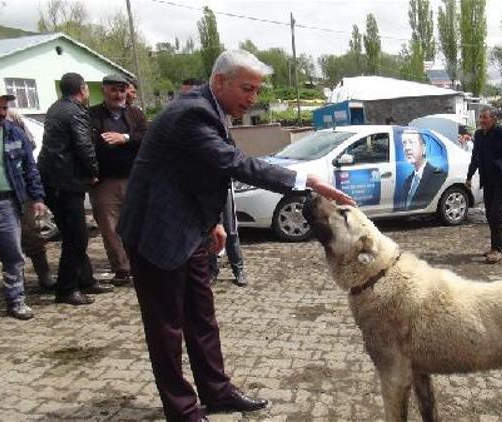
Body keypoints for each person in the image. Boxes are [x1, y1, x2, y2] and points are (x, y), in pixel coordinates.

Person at [117, 50, 355, 422]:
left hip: (190, 226)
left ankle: (217, 391)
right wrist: (303, 180)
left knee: (202, 317)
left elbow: (199, 172)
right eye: (247, 88)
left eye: (257, 90)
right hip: (155, 232)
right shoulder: (190, 113)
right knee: (166, 327)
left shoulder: (213, 111)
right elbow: (233, 163)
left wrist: (213, 222)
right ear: (219, 82)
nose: (253, 98)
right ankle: (181, 410)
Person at [38, 72, 114, 306]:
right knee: (76, 237)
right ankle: (66, 288)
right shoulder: (76, 112)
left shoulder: (55, 108)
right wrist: (93, 172)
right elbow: (83, 145)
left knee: (74, 234)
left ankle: (86, 280)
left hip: (54, 180)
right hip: (66, 182)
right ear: (82, 90)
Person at [0, 74, 55, 290]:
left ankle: (41, 277)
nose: (1, 112)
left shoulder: (13, 122)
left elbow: (28, 152)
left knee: (30, 236)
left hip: (16, 193)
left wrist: (34, 193)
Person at [89, 74, 148, 286]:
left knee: (138, 225)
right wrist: (90, 172)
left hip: (134, 179)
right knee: (110, 228)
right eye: (114, 90)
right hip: (104, 182)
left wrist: (124, 138)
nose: (118, 95)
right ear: (104, 90)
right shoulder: (91, 115)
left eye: (122, 90)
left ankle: (142, 265)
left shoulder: (135, 114)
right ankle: (122, 269)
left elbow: (146, 137)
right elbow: (84, 145)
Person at [465, 107, 502, 264]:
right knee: (490, 214)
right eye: (481, 117)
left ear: (493, 119)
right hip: (488, 181)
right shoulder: (478, 135)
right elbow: (475, 157)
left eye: (485, 117)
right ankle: (499, 246)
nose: (482, 120)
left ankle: (497, 249)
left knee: (496, 213)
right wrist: (469, 176)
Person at [396, 132, 447, 211]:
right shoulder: (407, 181)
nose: (407, 148)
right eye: (404, 143)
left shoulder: (438, 176)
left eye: (411, 142)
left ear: (423, 149)